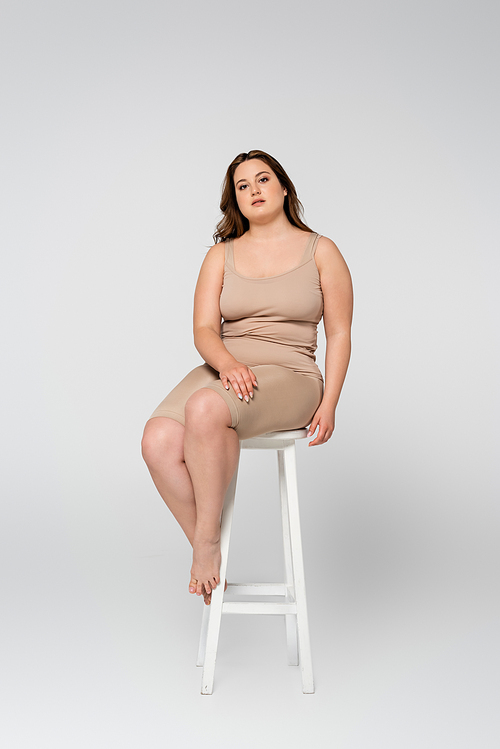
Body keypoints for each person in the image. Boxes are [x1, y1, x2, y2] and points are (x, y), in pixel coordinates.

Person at [141, 149, 353, 605]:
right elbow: (203, 330)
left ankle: (208, 548)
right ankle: (204, 540)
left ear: (283, 187)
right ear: (234, 201)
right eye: (242, 186)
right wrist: (229, 365)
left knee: (206, 408)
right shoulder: (221, 255)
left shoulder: (322, 250)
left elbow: (338, 332)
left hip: (290, 371)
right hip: (227, 366)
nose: (254, 190)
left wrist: (331, 401)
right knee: (156, 439)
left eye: (262, 179)